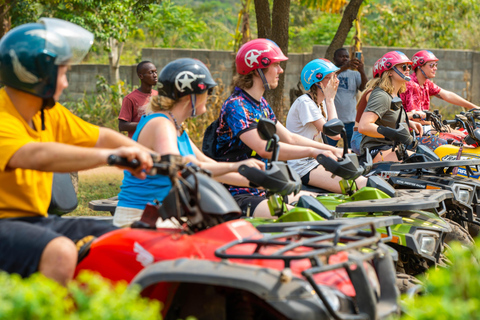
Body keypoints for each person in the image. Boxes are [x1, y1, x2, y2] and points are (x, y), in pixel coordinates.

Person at [0, 18, 154, 286]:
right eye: (63, 73)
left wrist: (155, 157)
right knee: (59, 251)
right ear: (38, 75)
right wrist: (112, 157)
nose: (67, 83)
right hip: (6, 223)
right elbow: (35, 155)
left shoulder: (46, 112)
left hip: (36, 221)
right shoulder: (4, 117)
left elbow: (101, 135)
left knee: (125, 235)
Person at [215, 38, 360, 217]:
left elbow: (290, 138)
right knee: (312, 219)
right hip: (239, 193)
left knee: (326, 208)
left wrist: (331, 149)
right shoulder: (237, 106)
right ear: (257, 69)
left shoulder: (261, 105)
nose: (281, 70)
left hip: (266, 189)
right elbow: (265, 148)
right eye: (276, 65)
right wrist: (312, 152)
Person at [114, 58, 265, 227]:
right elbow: (183, 166)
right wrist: (237, 166)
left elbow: (208, 166)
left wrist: (261, 181)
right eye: (207, 91)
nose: (209, 96)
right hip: (140, 219)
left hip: (163, 217)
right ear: (191, 96)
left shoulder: (176, 127)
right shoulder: (160, 124)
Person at [358, 51, 423, 163]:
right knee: (422, 163)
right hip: (376, 151)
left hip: (392, 148)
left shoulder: (393, 94)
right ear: (390, 72)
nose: (408, 69)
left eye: (409, 66)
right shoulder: (381, 95)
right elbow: (363, 126)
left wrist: (409, 123)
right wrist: (394, 134)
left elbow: (387, 119)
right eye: (403, 66)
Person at [400, 50, 480, 120]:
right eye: (431, 65)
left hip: (422, 128)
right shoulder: (411, 85)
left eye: (436, 65)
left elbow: (447, 95)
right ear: (420, 66)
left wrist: (475, 108)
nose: (435, 68)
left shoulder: (426, 83)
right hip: (411, 131)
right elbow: (416, 119)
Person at [326, 48, 368, 148]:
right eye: (341, 56)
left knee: (353, 150)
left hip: (351, 121)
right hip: (333, 120)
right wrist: (345, 67)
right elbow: (330, 78)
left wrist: (361, 70)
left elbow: (365, 88)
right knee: (328, 148)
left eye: (347, 57)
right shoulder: (329, 73)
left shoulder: (355, 74)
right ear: (334, 59)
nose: (345, 59)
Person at [118, 61, 158, 138]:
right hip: (138, 144)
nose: (155, 75)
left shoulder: (158, 96)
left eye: (156, 72)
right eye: (151, 72)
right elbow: (122, 126)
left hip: (156, 143)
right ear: (141, 76)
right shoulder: (130, 99)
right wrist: (146, 124)